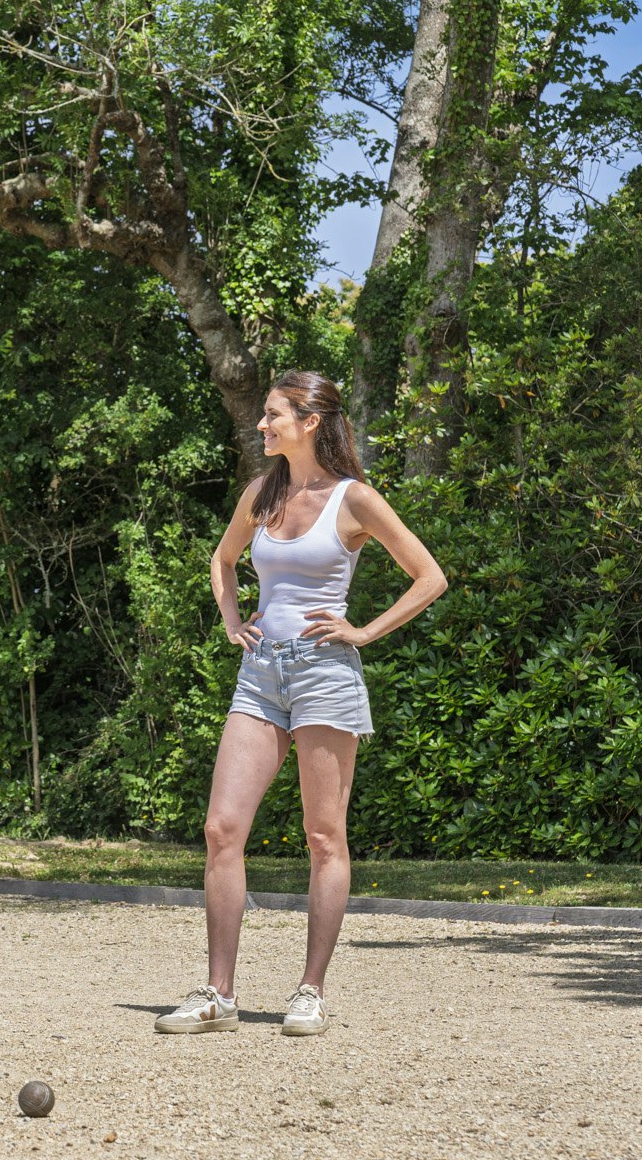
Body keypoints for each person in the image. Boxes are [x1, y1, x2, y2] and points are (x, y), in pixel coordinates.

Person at [155, 372, 447, 1036]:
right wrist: (233, 619)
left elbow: (429, 575)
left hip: (325, 675)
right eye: (263, 416)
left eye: (273, 415)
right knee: (221, 829)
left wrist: (363, 630)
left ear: (310, 420)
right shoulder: (262, 494)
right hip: (260, 674)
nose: (263, 426)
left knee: (324, 837)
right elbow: (223, 560)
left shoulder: (356, 499)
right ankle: (218, 994)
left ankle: (310, 991)